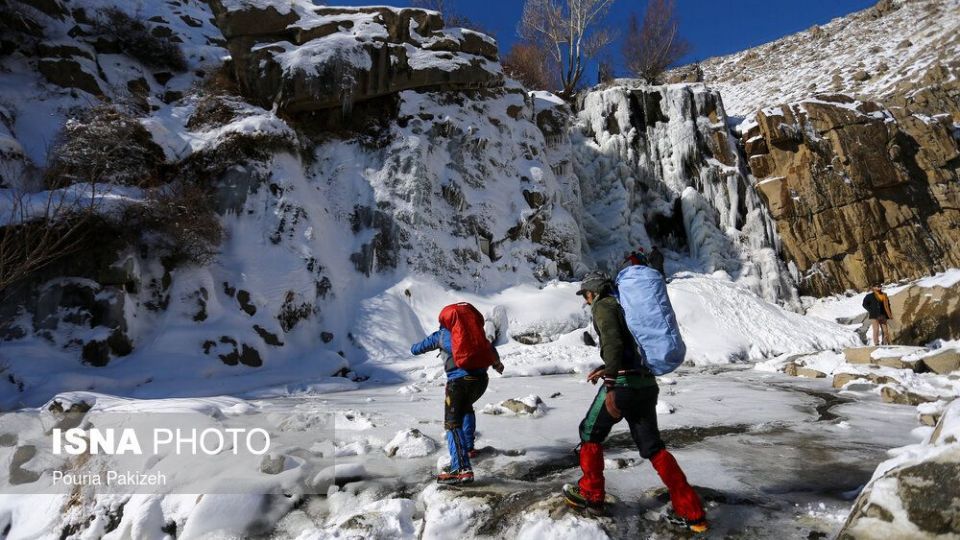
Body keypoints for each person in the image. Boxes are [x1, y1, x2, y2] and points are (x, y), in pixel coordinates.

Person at [563, 272, 707, 533]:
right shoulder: (626, 306)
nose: (585, 300)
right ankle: (691, 511)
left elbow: (614, 343)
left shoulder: (604, 306)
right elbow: (629, 348)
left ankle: (591, 495)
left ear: (593, 292)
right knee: (653, 447)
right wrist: (605, 368)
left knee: (589, 433)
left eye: (585, 295)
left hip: (623, 386)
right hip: (646, 384)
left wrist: (610, 384)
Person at [411, 302, 504, 485]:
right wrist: (497, 365)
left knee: (452, 424)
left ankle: (461, 469)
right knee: (466, 408)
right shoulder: (477, 334)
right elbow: (491, 351)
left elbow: (416, 349)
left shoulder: (442, 334)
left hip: (459, 383)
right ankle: (468, 449)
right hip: (480, 381)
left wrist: (413, 346)